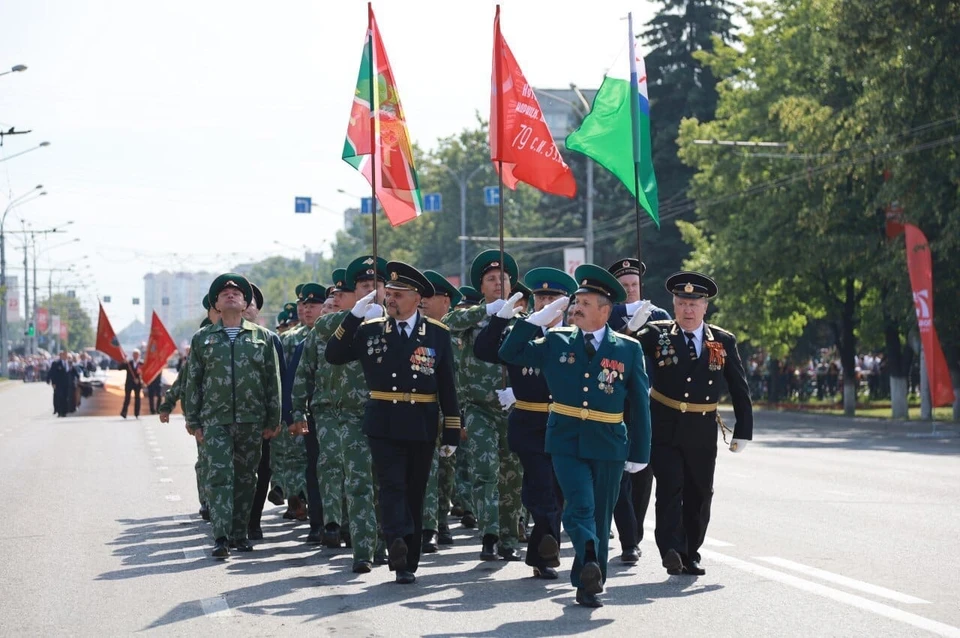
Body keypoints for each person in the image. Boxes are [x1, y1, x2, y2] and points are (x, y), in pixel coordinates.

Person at [498, 264, 652, 607]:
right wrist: (533, 321)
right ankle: (586, 552)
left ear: (605, 310)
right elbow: (508, 354)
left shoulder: (628, 348)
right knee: (579, 505)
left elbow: (640, 403)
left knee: (601, 512)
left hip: (610, 440)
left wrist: (640, 451)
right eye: (575, 301)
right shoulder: (555, 340)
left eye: (585, 302)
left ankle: (589, 580)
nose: (575, 307)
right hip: (565, 437)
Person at [325, 261, 461, 584]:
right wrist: (354, 315)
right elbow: (334, 354)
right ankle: (396, 543)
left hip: (422, 423)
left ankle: (408, 559)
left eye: (399, 295)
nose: (391, 300)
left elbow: (447, 384)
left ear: (417, 299)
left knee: (415, 490)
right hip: (383, 423)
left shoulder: (437, 334)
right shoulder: (371, 330)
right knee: (391, 485)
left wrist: (452, 429)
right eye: (391, 294)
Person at [626, 271, 753, 576]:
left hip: (702, 428)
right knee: (670, 487)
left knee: (700, 492)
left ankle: (691, 551)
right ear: (674, 304)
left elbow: (739, 386)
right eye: (682, 303)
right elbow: (622, 352)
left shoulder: (721, 341)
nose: (688, 310)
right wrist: (629, 329)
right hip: (665, 424)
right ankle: (670, 549)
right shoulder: (656, 334)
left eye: (694, 304)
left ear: (705, 306)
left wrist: (743, 430)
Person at [474, 267, 578, 581]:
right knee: (542, 489)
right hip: (530, 423)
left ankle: (541, 551)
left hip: (565, 422)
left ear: (565, 302)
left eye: (553, 297)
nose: (546, 302)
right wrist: (501, 319)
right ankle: (547, 553)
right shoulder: (522, 330)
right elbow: (484, 350)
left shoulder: (576, 333)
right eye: (541, 297)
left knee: (557, 494)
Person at [181, 273, 282, 559]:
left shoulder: (261, 337)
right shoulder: (203, 339)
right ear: (216, 303)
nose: (230, 295)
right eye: (224, 292)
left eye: (237, 292)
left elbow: (271, 381)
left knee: (246, 478)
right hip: (216, 421)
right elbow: (194, 382)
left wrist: (272, 419)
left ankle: (240, 533)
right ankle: (221, 535)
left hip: (252, 421)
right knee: (220, 475)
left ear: (246, 301)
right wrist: (193, 420)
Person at [302, 259, 386, 572]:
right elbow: (322, 326)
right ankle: (363, 549)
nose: (371, 293)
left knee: (386, 483)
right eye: (363, 288)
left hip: (390, 413)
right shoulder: (337, 323)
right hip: (350, 416)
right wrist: (356, 316)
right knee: (360, 481)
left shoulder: (395, 319)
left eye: (375, 287)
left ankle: (385, 542)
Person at [442, 250, 524, 562]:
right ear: (482, 287)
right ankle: (489, 534)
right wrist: (486, 312)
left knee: (512, 474)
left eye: (503, 279)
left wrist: (519, 391)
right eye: (491, 280)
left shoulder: (521, 321)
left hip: (512, 409)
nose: (498, 284)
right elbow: (447, 324)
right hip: (478, 409)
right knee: (486, 470)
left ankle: (508, 537)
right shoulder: (470, 318)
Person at [607, 258, 670, 565]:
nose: (631, 290)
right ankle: (627, 538)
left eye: (634, 285)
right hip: (616, 404)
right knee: (617, 472)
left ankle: (636, 533)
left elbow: (668, 356)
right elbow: (604, 347)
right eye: (625, 285)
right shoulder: (608, 312)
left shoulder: (657, 315)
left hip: (648, 404)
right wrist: (627, 329)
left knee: (644, 473)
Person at [419, 270, 463, 551]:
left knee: (446, 471)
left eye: (430, 296)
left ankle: (441, 520)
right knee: (427, 471)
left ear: (446, 301)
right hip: (423, 411)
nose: (423, 301)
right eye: (420, 295)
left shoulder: (456, 330)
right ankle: (428, 527)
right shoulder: (416, 331)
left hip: (451, 411)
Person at [47, 351, 73, 418]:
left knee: (66, 397)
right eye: (64, 355)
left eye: (66, 355)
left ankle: (65, 411)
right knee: (60, 397)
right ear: (61, 356)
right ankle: (60, 412)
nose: (65, 356)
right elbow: (52, 373)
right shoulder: (56, 363)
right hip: (59, 384)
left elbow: (72, 372)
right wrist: (53, 382)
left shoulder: (69, 363)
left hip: (67, 384)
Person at [120, 349, 144, 419]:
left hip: (137, 384)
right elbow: (119, 368)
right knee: (127, 398)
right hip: (129, 383)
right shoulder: (128, 363)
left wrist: (140, 380)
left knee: (137, 398)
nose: (136, 356)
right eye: (134, 354)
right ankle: (124, 413)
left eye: (137, 354)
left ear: (139, 355)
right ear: (133, 355)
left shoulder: (141, 364)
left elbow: (144, 374)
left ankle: (137, 413)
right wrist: (123, 362)